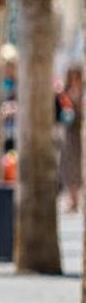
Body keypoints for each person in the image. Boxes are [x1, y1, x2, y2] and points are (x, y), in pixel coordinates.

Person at [59, 66, 83, 212]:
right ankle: (71, 198)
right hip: (68, 134)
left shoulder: (80, 93)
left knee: (75, 167)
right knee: (67, 167)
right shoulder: (66, 93)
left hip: (77, 135)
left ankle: (75, 199)